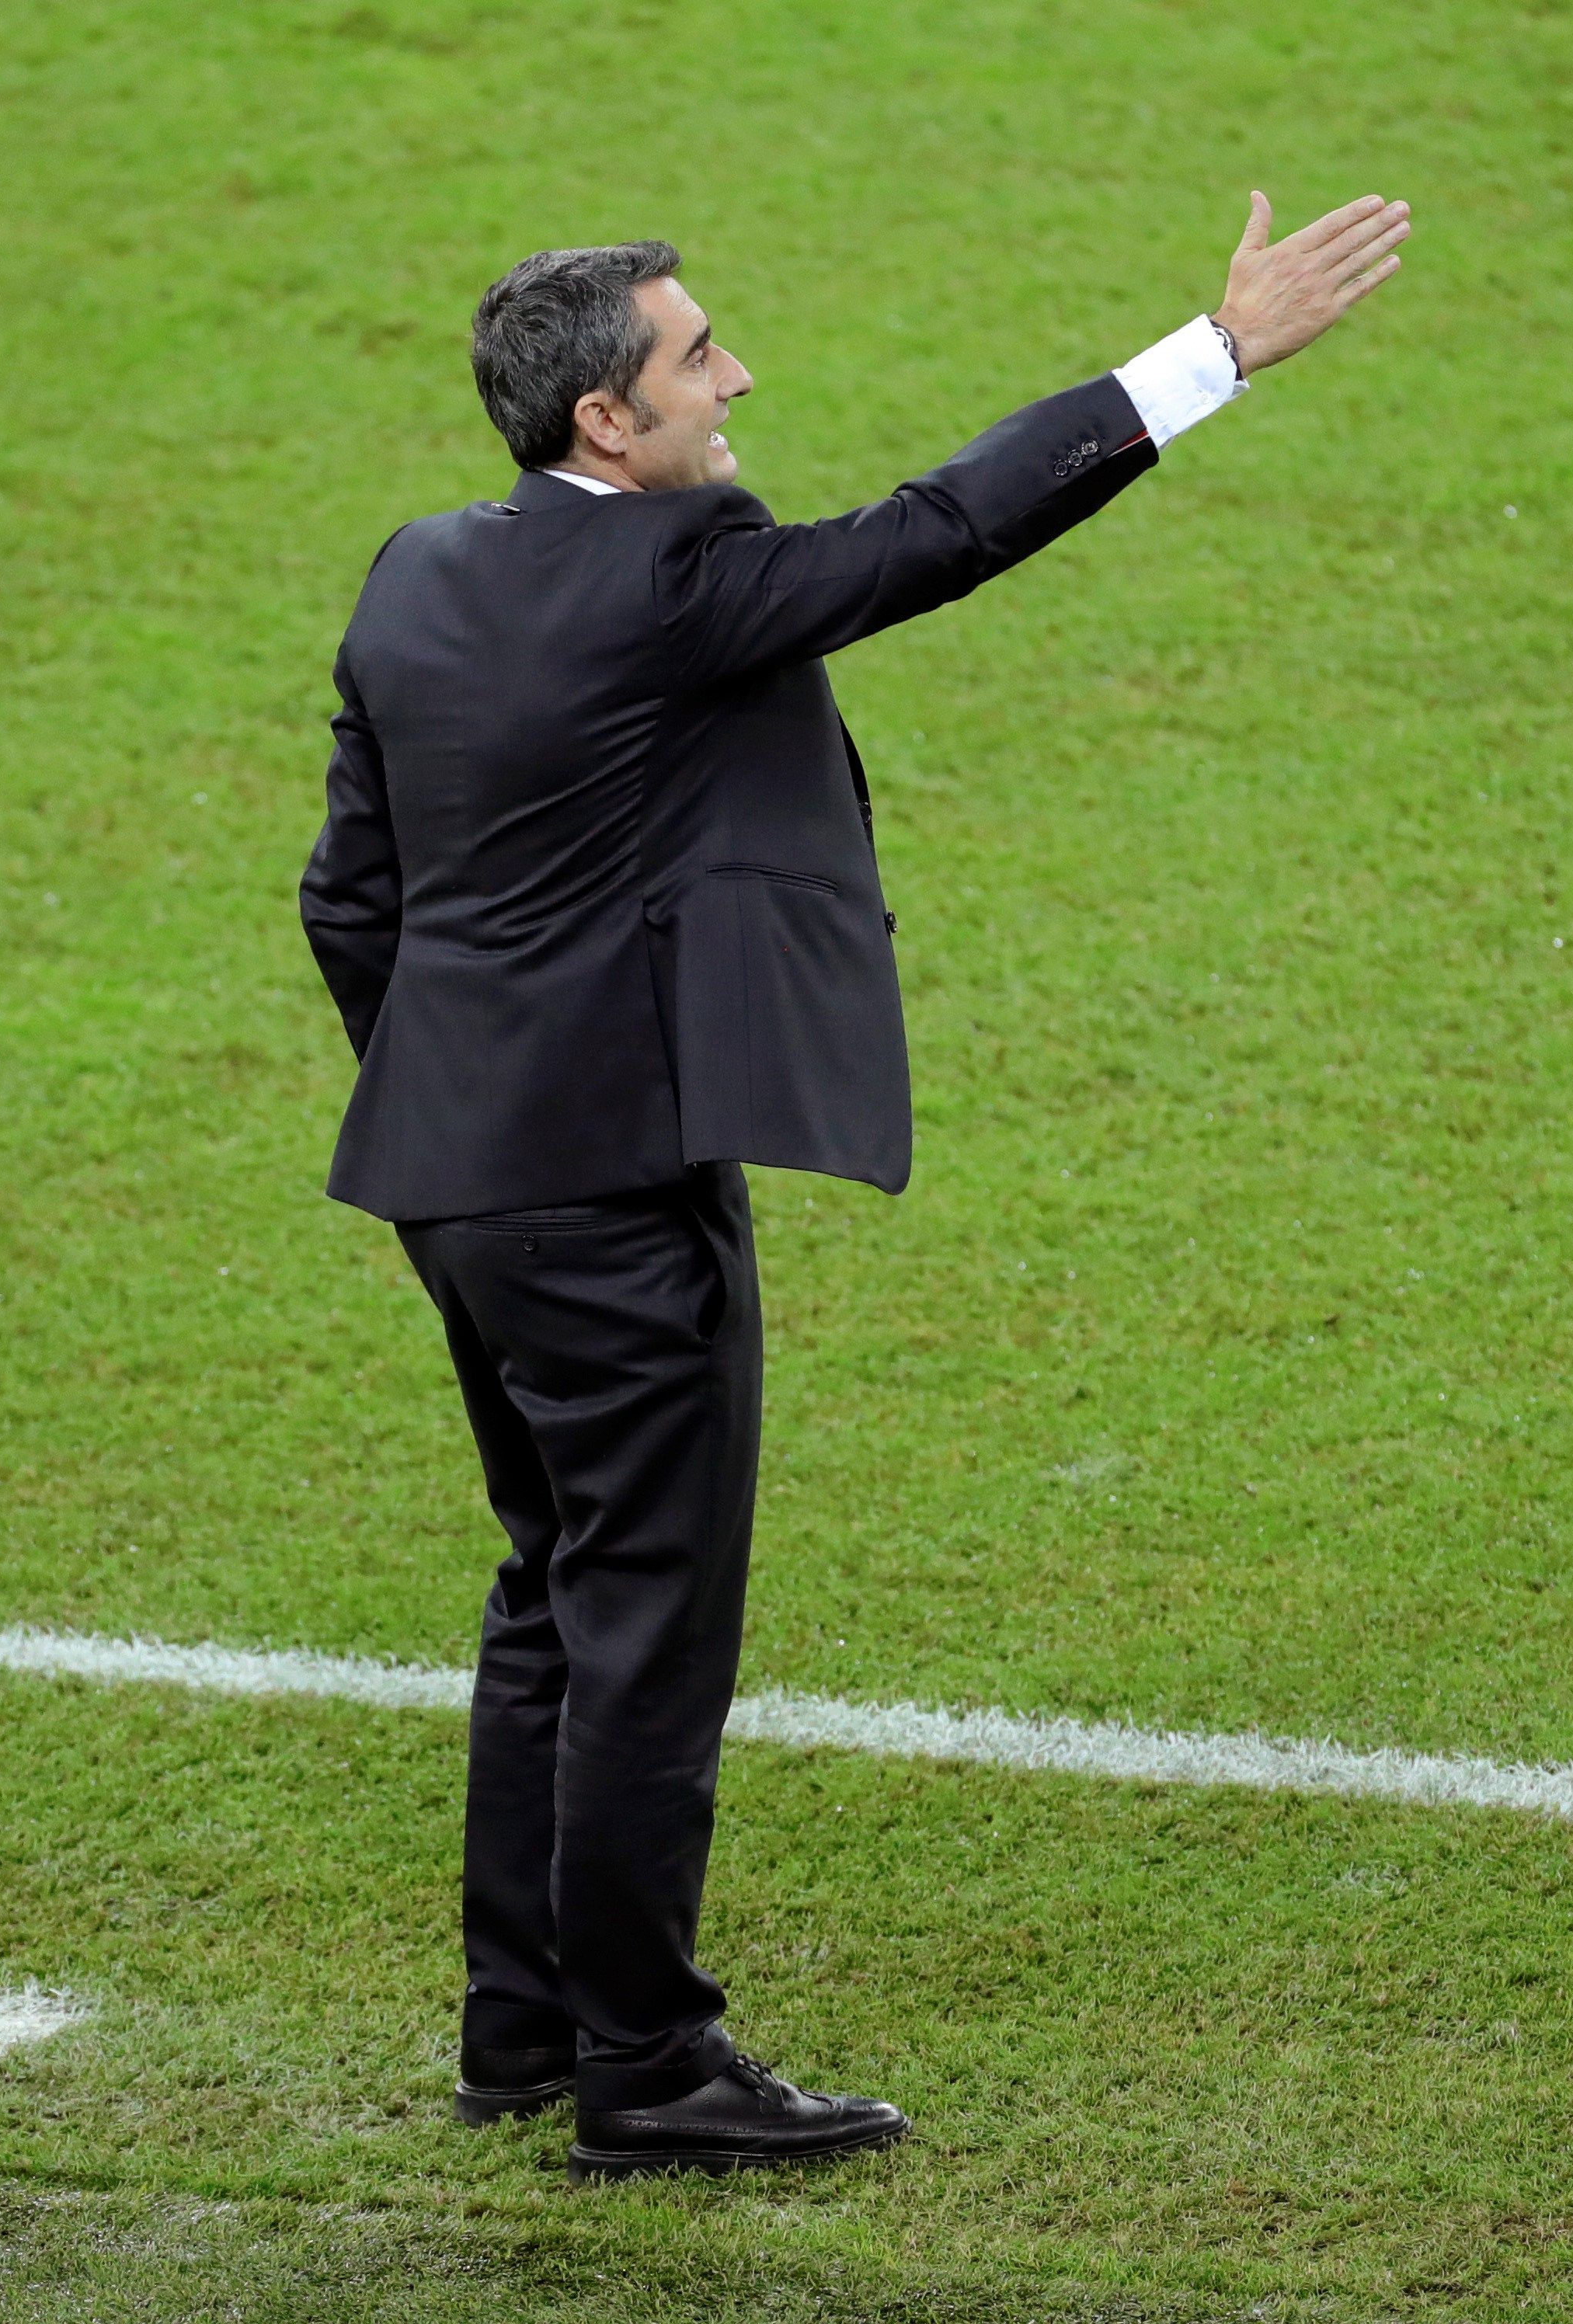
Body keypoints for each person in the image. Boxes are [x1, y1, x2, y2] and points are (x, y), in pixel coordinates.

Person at [299, 191, 1411, 2183]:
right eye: (696, 357)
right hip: (606, 1196)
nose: (735, 378)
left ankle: (521, 2024)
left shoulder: (413, 575)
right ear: (607, 428)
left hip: (450, 1182)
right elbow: (941, 530)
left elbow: (350, 900)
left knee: (550, 1586)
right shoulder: (673, 569)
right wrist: (1212, 353)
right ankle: (645, 2061)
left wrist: (462, 1097)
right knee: (641, 1614)